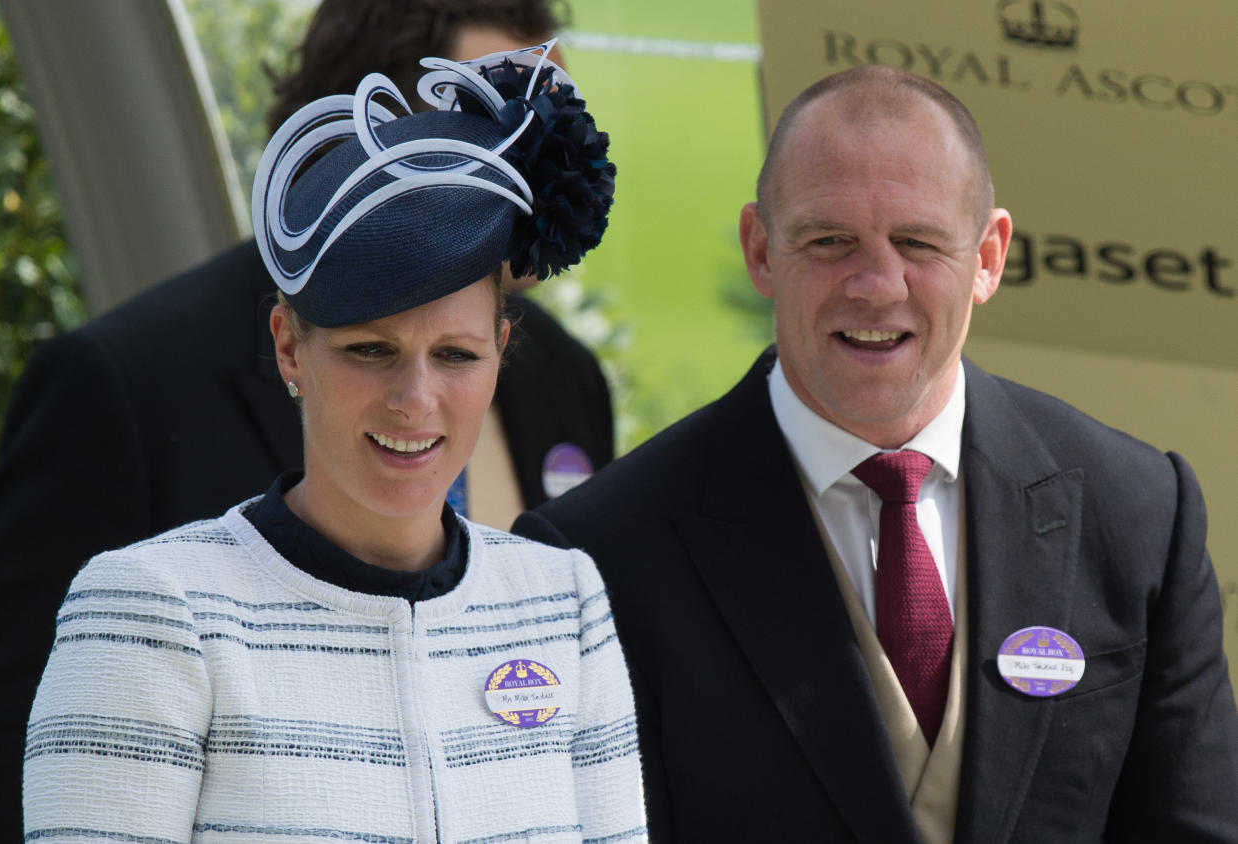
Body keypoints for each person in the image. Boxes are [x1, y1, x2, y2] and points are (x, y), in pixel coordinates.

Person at [514, 64, 1238, 842]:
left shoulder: (1136, 512)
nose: (876, 284)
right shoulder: (599, 556)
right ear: (760, 249)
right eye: (830, 241)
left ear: (989, 257)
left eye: (918, 242)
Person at [0, 0, 611, 832]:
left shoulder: (564, 392)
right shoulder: (123, 387)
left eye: (461, 356)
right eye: (496, 115)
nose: (418, 395)